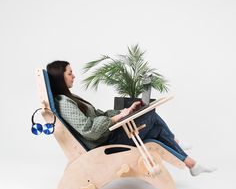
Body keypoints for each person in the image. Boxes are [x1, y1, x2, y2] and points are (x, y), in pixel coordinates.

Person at [47, 60, 216, 177]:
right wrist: (115, 119)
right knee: (150, 114)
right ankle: (176, 142)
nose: (74, 76)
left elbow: (98, 114)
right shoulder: (64, 103)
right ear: (59, 77)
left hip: (109, 137)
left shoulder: (71, 98)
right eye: (70, 73)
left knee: (152, 124)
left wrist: (125, 111)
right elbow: (89, 130)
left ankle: (191, 164)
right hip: (106, 146)